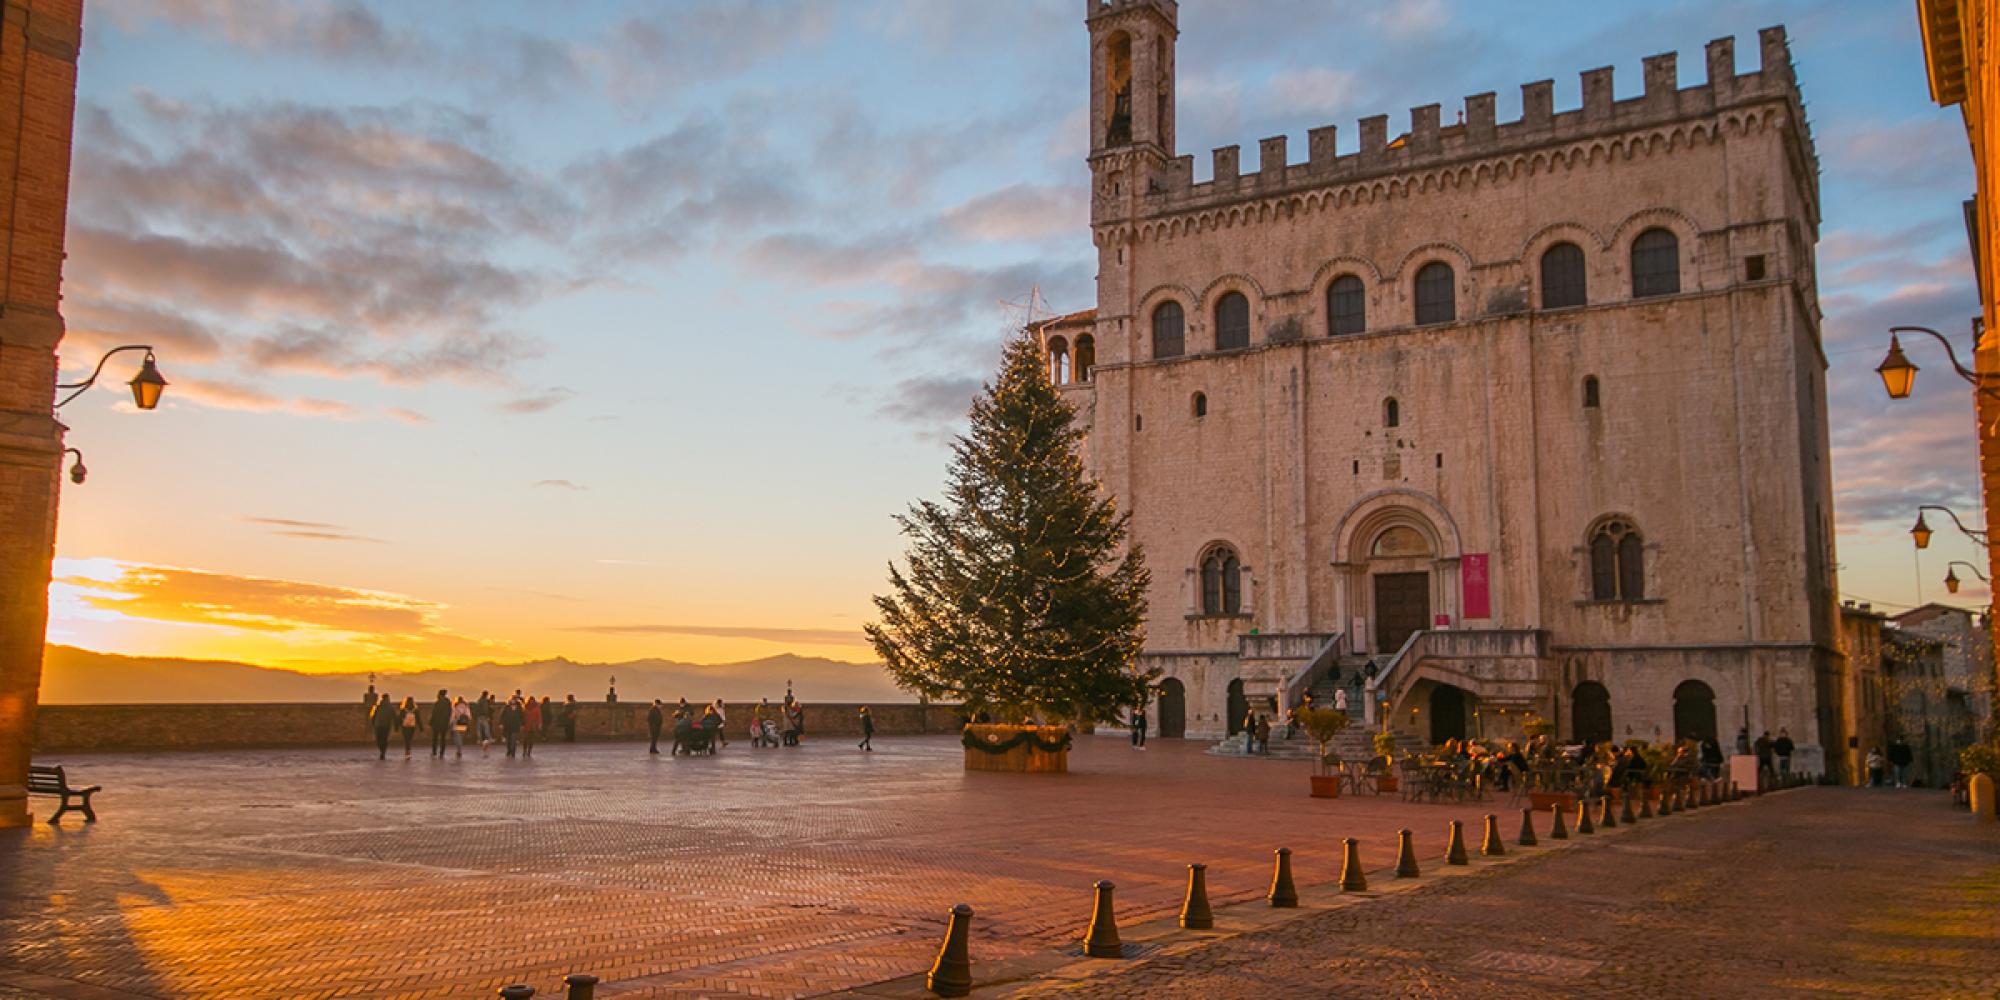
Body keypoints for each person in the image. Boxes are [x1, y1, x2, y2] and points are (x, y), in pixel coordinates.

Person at [370, 693, 396, 760]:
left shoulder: (378, 706)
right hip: (386, 725)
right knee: (384, 739)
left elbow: (373, 716)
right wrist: (396, 725)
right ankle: (383, 752)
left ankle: (382, 751)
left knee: (379, 739)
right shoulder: (389, 707)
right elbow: (394, 717)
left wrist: (373, 723)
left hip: (378, 725)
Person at [429, 690, 452, 758]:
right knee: (443, 738)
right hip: (445, 723)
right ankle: (442, 753)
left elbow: (434, 713)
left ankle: (434, 752)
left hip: (437, 723)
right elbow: (449, 713)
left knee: (435, 738)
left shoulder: (437, 703)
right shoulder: (448, 703)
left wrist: (431, 722)